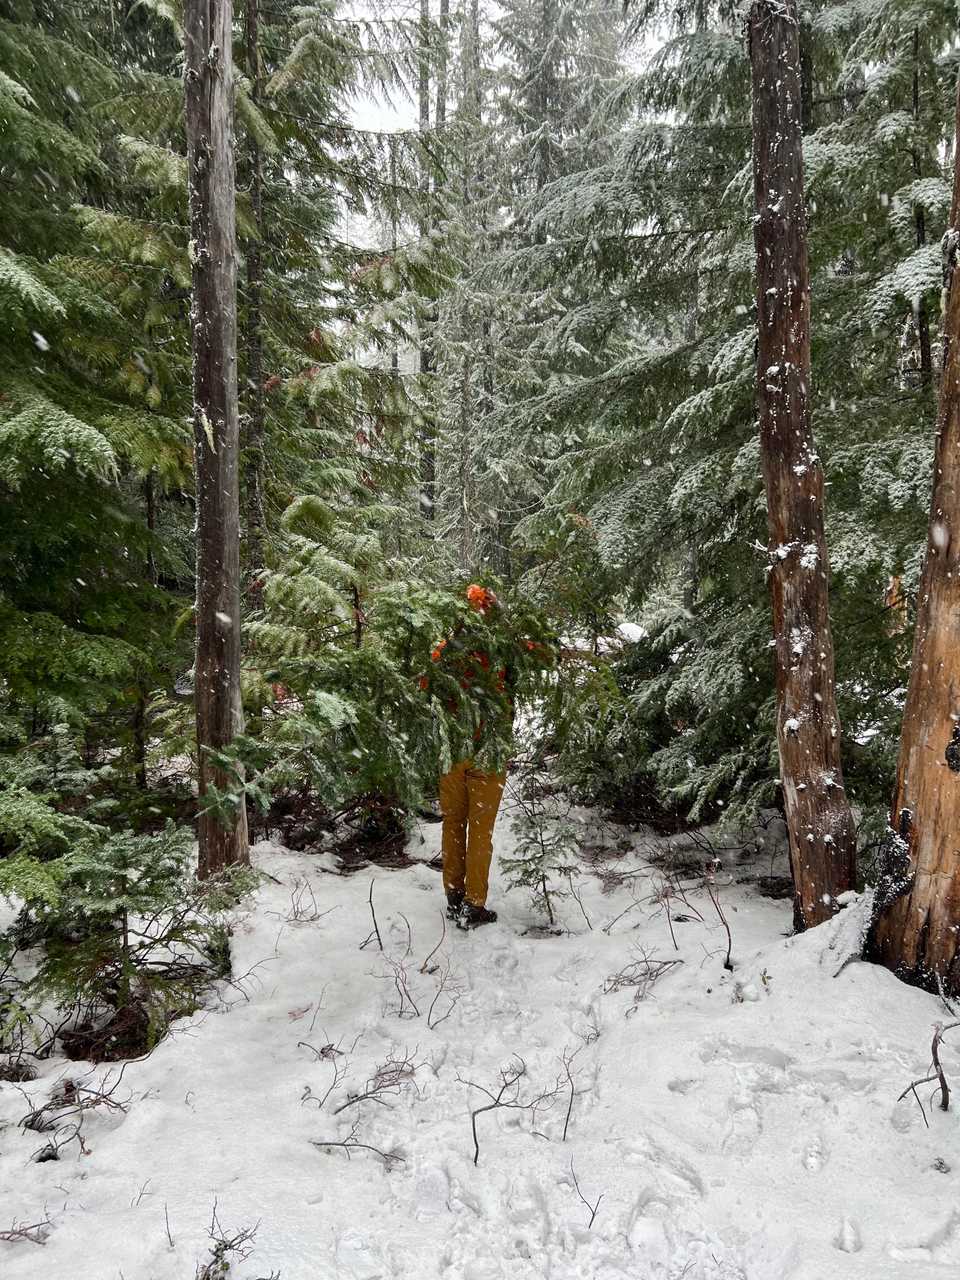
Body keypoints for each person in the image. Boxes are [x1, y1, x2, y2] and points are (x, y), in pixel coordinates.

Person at [429, 584, 512, 929]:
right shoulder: (500, 652)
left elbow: (427, 686)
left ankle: (454, 895)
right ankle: (474, 904)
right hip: (487, 751)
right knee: (480, 831)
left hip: (453, 750)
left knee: (453, 821)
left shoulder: (445, 652)